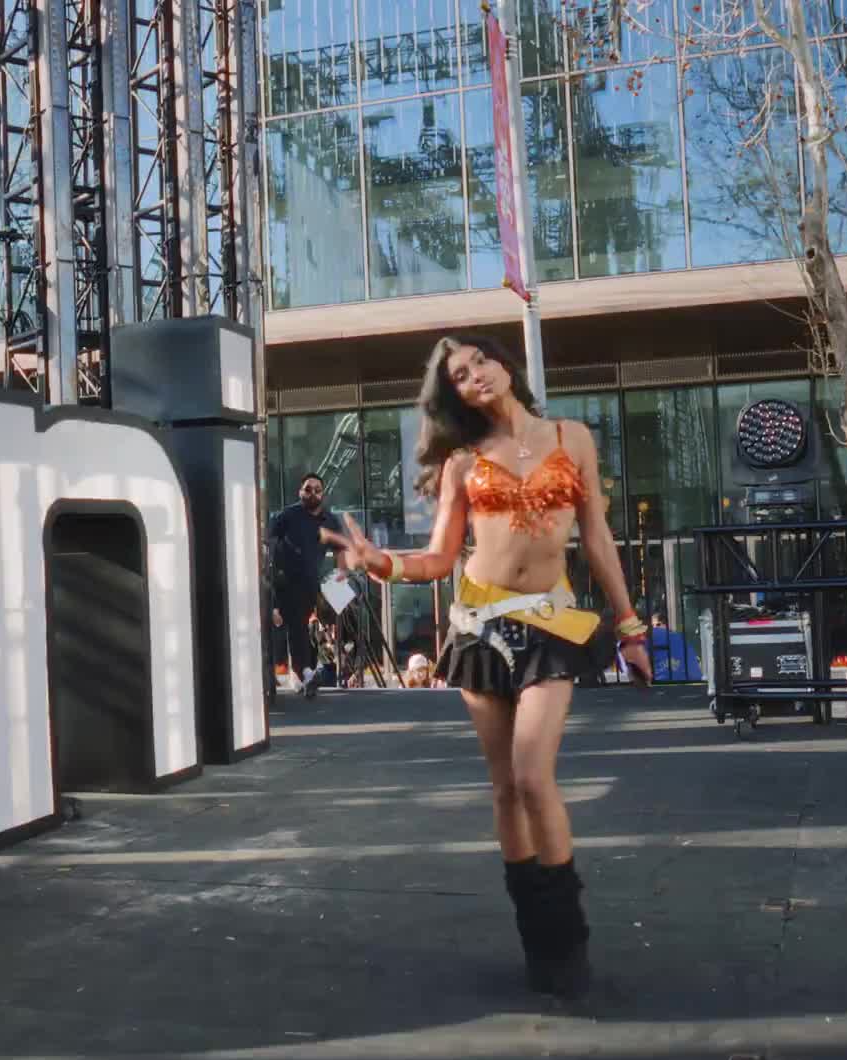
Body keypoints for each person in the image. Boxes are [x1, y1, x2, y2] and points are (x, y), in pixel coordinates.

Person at [321, 334, 653, 1000]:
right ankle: (538, 941)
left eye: (480, 361)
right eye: (459, 375)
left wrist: (629, 627)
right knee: (505, 790)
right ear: (455, 396)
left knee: (533, 776)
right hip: (479, 629)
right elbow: (440, 559)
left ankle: (568, 938)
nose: (474, 376)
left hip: (552, 625)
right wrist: (381, 564)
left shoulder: (572, 438)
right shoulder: (462, 464)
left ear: (504, 364)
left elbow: (595, 535)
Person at [268, 472, 339, 698]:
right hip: (285, 581)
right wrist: (272, 567)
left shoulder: (329, 520)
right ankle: (305, 672)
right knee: (295, 626)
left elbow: (342, 548)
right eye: (308, 489)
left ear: (323, 494)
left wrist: (341, 574)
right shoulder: (288, 515)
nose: (312, 493)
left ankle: (302, 674)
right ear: (300, 492)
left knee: (305, 627)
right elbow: (270, 539)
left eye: (317, 490)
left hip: (312, 582)